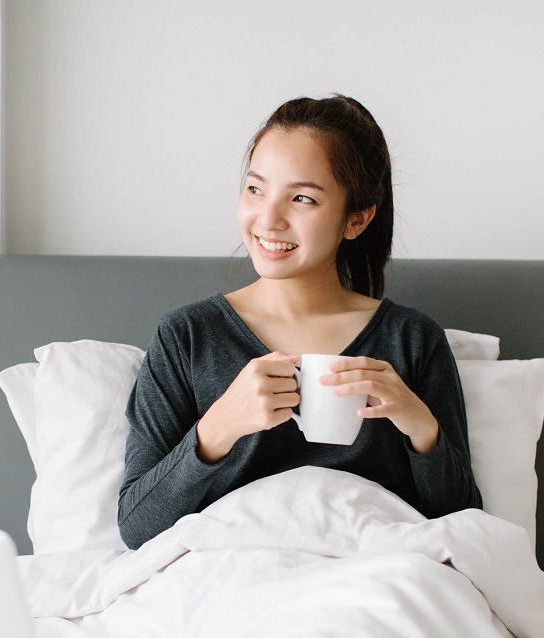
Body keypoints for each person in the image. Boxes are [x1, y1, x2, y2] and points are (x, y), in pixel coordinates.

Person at [118, 94, 481, 549]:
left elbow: (465, 525)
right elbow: (136, 528)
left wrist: (421, 430)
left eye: (303, 198)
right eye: (255, 189)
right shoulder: (187, 337)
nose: (269, 219)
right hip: (229, 583)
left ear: (357, 218)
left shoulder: (411, 341)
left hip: (373, 580)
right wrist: (217, 430)